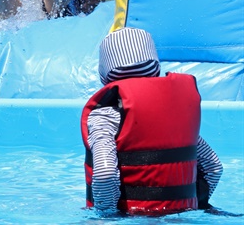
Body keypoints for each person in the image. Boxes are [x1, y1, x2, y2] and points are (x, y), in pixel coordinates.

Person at [81, 27, 223, 215]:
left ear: (104, 73)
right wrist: (193, 206)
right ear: (155, 66)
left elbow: (105, 174)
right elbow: (213, 168)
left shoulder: (106, 114)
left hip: (131, 217)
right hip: (180, 217)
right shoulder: (173, 114)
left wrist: (106, 215)